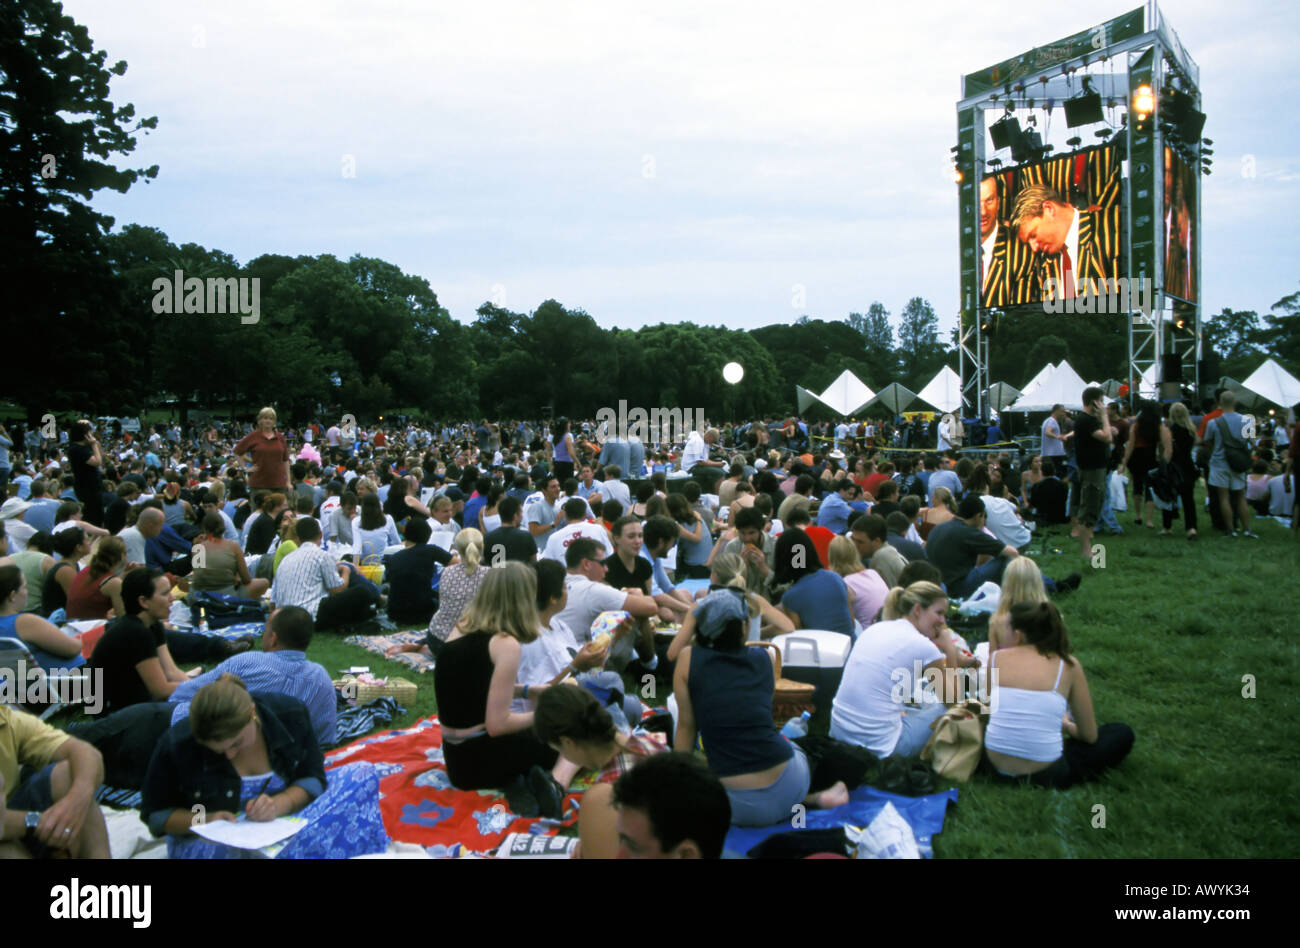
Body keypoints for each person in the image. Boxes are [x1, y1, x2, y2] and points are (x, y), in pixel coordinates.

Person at [140, 674, 387, 858]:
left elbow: (312, 776)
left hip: (285, 820)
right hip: (219, 841)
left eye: (236, 744)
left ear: (252, 713)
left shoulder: (289, 713)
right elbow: (158, 816)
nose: (229, 754)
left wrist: (281, 803)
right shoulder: (177, 743)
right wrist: (207, 818)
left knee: (362, 773)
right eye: (218, 750)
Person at [672, 587, 847, 827]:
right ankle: (811, 798)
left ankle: (806, 800)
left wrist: (679, 786)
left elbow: (686, 728)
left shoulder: (688, 659)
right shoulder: (764, 658)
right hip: (789, 782)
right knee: (790, 742)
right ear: (744, 626)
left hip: (736, 805)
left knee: (709, 777)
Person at [432, 562, 577, 812]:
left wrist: (526, 690)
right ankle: (556, 785)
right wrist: (545, 714)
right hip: (489, 756)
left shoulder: (461, 628)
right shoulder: (505, 643)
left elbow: (471, 687)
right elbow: (497, 725)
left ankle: (518, 782)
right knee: (579, 732)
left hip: (458, 762)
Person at [985, 601, 1134, 788]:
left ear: (1019, 635)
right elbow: (1089, 735)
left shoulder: (996, 658)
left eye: (1005, 626)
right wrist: (1066, 725)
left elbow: (987, 712)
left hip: (995, 767)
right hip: (1047, 773)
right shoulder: (1068, 664)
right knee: (1120, 733)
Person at [830, 581, 976, 758]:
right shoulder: (922, 646)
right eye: (939, 613)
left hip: (840, 734)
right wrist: (950, 649)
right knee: (941, 708)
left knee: (914, 698)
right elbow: (953, 701)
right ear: (917, 610)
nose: (943, 621)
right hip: (881, 747)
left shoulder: (877, 629)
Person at [88, 568, 208, 716]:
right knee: (198, 713)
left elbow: (171, 672)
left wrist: (196, 687)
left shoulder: (152, 624)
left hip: (136, 700)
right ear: (144, 601)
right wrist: (204, 689)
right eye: (164, 594)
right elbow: (160, 690)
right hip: (111, 713)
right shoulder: (135, 631)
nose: (172, 598)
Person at [0, 704, 110, 858]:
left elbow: (87, 753)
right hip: (10, 831)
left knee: (69, 774)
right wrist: (41, 822)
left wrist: (75, 803)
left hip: (19, 819)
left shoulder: (7, 721)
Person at [271, 518, 379, 631]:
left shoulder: (286, 560)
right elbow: (338, 589)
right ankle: (377, 600)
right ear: (320, 534)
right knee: (362, 592)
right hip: (311, 617)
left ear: (298, 538)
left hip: (284, 619)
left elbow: (273, 603)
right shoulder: (321, 556)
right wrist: (346, 571)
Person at [0, 564, 84, 670]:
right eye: (25, 587)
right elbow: (73, 649)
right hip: (69, 679)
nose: (27, 592)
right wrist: (81, 639)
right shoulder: (24, 622)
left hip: (28, 683)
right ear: (12, 596)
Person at [773, 528, 853, 636]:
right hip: (850, 646)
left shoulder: (791, 598)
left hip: (822, 650)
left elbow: (795, 634)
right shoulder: (836, 578)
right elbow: (852, 623)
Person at [423, 528, 489, 657]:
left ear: (457, 549)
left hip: (438, 639)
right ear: (482, 547)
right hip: (473, 643)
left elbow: (443, 605)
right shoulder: (489, 575)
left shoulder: (447, 572)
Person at [1201, 391, 1258, 539]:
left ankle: (1230, 530)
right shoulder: (1247, 421)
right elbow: (1251, 443)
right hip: (1238, 462)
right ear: (1235, 402)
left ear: (1219, 403)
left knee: (1223, 497)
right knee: (1240, 496)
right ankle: (1247, 529)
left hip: (1220, 462)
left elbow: (1208, 442)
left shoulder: (1214, 422)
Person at [382, 517, 451, 627]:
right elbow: (457, 564)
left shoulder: (393, 558)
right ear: (428, 536)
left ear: (405, 532)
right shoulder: (431, 550)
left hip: (395, 612)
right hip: (422, 611)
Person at [1072, 385, 1114, 559]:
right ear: (1094, 403)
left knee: (1094, 507)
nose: (1104, 405)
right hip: (1091, 470)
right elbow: (1107, 437)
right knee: (1088, 509)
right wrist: (1104, 416)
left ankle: (1091, 547)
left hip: (1096, 468)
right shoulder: (1085, 421)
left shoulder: (1089, 420)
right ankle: (1086, 551)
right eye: (1101, 402)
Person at [190, 512, 270, 599]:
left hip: (204, 595)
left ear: (205, 529)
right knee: (264, 582)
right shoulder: (233, 546)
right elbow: (246, 579)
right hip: (228, 595)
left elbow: (197, 579)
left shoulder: (198, 548)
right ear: (224, 527)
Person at [985, 556, 1049, 656]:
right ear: (1038, 583)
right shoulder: (1049, 618)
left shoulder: (997, 621)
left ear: (1007, 585)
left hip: (1007, 670)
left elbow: (993, 662)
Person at [828, 535, 889, 629]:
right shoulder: (873, 573)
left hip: (868, 635)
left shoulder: (844, 584)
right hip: (888, 627)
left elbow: (845, 623)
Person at [1161, 402, 1199, 539]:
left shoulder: (1169, 429)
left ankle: (1167, 526)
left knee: (1169, 497)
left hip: (1174, 466)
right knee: (1188, 499)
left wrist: (1163, 465)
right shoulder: (1191, 430)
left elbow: (1168, 450)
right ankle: (1191, 527)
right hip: (1188, 465)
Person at [1120, 401, 1161, 529]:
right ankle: (1149, 520)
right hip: (1151, 456)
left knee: (1137, 486)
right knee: (1150, 488)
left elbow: (1131, 444)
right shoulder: (1157, 425)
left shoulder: (1136, 425)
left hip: (1136, 457)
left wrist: (1124, 461)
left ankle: (1138, 516)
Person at [233, 407, 291, 491]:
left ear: (274, 421)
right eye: (265, 418)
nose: (268, 421)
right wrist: (245, 468)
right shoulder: (253, 436)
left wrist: (288, 481)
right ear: (260, 420)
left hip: (278, 484)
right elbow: (236, 452)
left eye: (271, 418)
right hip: (258, 484)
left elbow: (286, 460)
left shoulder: (280, 437)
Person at [67, 421, 105, 527]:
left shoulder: (84, 447)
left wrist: (95, 445)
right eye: (89, 433)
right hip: (87, 487)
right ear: (85, 435)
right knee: (94, 517)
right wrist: (93, 444)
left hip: (92, 485)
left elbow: (101, 457)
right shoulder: (77, 449)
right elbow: (97, 462)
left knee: (97, 515)